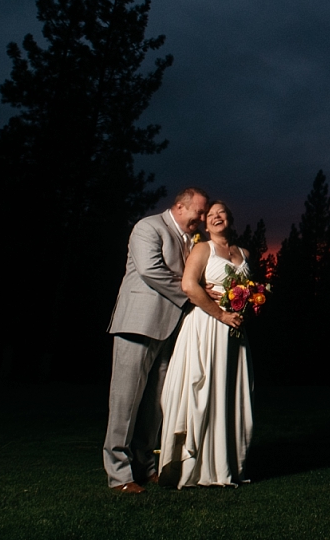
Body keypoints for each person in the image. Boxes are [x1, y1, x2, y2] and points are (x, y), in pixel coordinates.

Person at [103, 186, 220, 494]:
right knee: (125, 402)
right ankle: (119, 475)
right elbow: (150, 270)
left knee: (155, 405)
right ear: (180, 207)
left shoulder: (191, 240)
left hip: (170, 331)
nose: (203, 217)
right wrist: (195, 295)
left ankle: (145, 467)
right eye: (200, 211)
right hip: (138, 325)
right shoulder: (148, 227)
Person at [159, 199, 254, 488]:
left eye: (220, 212)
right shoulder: (202, 249)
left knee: (230, 393)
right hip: (206, 327)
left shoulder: (244, 252)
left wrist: (245, 307)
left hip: (235, 333)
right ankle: (197, 467)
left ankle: (226, 464)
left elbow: (249, 291)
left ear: (230, 218)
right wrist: (222, 314)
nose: (214, 217)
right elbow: (189, 286)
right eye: (209, 215)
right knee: (204, 390)